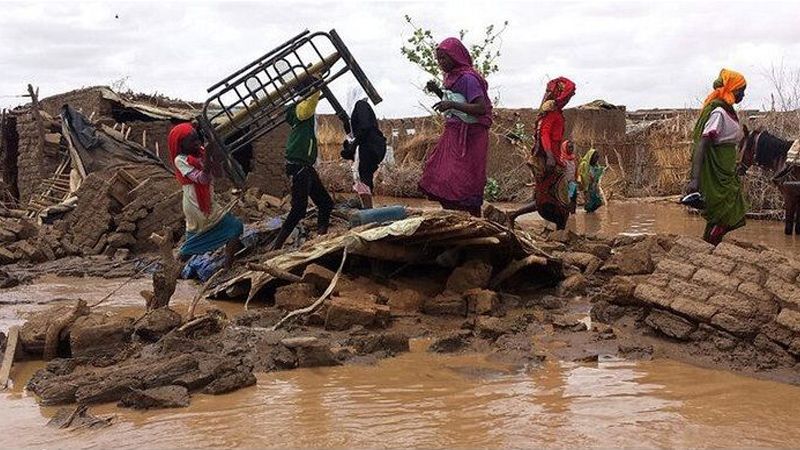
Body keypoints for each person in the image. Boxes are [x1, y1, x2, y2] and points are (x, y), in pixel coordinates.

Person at [419, 37, 493, 217]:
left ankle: (471, 217)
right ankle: (453, 214)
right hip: (454, 132)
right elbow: (453, 99)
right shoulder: (451, 78)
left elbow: (481, 108)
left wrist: (451, 106)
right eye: (438, 60)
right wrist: (437, 91)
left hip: (471, 136)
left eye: (444, 58)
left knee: (464, 178)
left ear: (455, 56)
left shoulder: (468, 78)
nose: (440, 63)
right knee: (438, 171)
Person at [685, 69, 748, 245]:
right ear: (732, 89)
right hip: (716, 173)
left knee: (731, 213)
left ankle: (708, 246)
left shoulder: (728, 111)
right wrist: (695, 179)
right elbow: (703, 144)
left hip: (726, 171)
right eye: (741, 90)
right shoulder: (718, 112)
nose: (743, 94)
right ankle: (709, 246)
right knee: (724, 215)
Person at [269, 81, 334, 250]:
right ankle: (276, 247)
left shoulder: (299, 108)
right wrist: (316, 87)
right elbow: (307, 108)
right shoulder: (299, 108)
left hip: (304, 166)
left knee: (325, 203)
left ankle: (321, 239)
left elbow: (309, 107)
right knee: (299, 209)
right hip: (299, 166)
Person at [168, 123, 243, 266]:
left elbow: (217, 174)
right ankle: (226, 265)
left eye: (198, 139)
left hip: (206, 201)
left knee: (196, 238)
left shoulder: (200, 152)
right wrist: (208, 156)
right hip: (195, 203)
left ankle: (176, 267)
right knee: (235, 226)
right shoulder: (181, 160)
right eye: (192, 141)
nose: (197, 143)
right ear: (181, 145)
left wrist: (217, 157)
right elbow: (202, 179)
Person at [508, 77, 576, 229]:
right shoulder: (552, 114)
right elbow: (544, 135)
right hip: (550, 159)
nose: (569, 99)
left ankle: (514, 215)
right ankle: (560, 232)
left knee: (547, 195)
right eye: (568, 96)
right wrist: (551, 157)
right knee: (554, 198)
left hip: (551, 159)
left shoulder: (550, 112)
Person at [341, 84, 387, 209]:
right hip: (373, 146)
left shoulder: (360, 105)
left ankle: (367, 209)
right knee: (365, 175)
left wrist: (353, 145)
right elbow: (356, 132)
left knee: (364, 177)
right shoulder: (361, 108)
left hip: (370, 146)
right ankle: (366, 207)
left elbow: (365, 128)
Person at [579, 147, 606, 213]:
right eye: (595, 157)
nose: (596, 159)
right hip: (587, 187)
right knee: (589, 205)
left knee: (598, 202)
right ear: (591, 157)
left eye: (597, 157)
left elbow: (597, 176)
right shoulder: (584, 164)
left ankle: (591, 217)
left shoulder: (596, 166)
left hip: (594, 187)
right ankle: (589, 217)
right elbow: (581, 175)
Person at [563, 140, 578, 213]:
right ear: (565, 148)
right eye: (569, 147)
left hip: (572, 183)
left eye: (572, 147)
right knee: (566, 200)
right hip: (564, 184)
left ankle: (573, 217)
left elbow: (576, 170)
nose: (571, 149)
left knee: (573, 199)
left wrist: (577, 180)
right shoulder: (562, 160)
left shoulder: (573, 158)